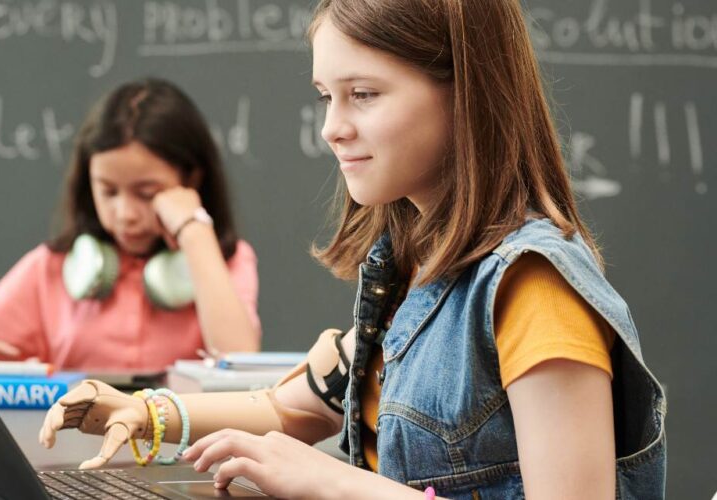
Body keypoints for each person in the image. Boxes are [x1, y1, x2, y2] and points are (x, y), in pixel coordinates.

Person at [37, 1, 666, 498]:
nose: (332, 126)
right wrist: (144, 412)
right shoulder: (408, 267)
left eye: (362, 94)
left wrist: (334, 483)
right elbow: (287, 410)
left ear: (466, 92)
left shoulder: (534, 287)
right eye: (325, 96)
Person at [0, 78, 262, 371]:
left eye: (147, 193)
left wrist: (194, 231)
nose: (125, 213)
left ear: (191, 179)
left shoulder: (229, 261)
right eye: (108, 191)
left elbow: (239, 364)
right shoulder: (51, 268)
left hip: (186, 435)